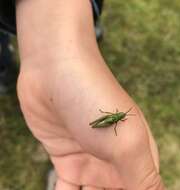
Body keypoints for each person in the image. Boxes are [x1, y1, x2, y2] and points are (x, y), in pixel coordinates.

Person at [0, 0, 166, 189]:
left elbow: (114, 121)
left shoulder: (117, 118)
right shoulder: (116, 117)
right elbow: (113, 119)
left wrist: (51, 48)